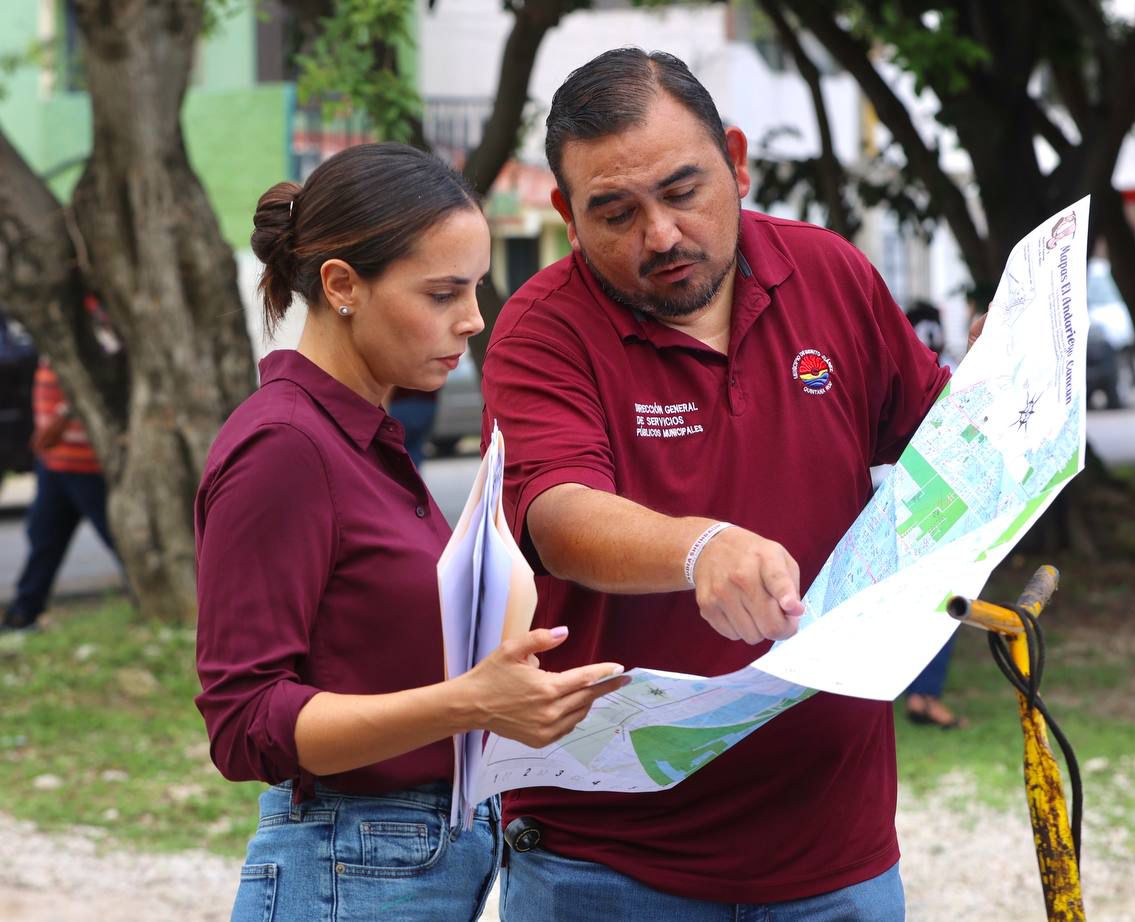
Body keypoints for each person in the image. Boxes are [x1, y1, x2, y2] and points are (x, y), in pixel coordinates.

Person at [481, 49, 958, 921]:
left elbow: (946, 445)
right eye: (615, 213)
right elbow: (557, 514)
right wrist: (701, 546)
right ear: (565, 214)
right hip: (606, 863)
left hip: (835, 854)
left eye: (682, 191)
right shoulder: (541, 329)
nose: (658, 235)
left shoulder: (830, 276)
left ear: (736, 163)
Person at [193, 143, 628, 922]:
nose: (472, 317)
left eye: (474, 288)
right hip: (349, 866)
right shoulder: (286, 446)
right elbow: (245, 722)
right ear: (341, 286)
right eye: (441, 293)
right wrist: (468, 701)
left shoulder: (362, 436)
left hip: (411, 861)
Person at [3, 357, 115, 632]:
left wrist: (65, 415)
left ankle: (159, 603)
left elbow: (106, 377)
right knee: (43, 538)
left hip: (86, 463)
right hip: (53, 462)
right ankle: (23, 615)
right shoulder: (49, 325)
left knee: (120, 539)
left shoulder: (96, 324)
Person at [901, 300, 967, 729]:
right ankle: (925, 695)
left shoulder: (902, 362)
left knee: (922, 599)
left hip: (903, 494)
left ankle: (920, 695)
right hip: (931, 496)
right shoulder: (943, 366)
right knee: (942, 597)